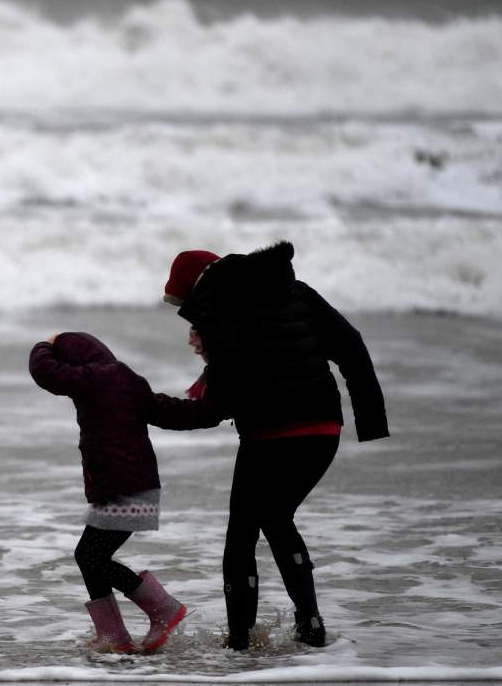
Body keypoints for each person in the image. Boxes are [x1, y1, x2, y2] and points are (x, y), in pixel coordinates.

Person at [162, 242, 389, 651]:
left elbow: (227, 378)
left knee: (244, 533)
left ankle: (240, 641)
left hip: (271, 434)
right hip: (323, 429)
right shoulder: (296, 290)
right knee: (276, 516)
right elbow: (350, 343)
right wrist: (370, 420)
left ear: (196, 288)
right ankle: (310, 625)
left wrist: (167, 411)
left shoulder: (218, 304)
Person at [29, 331, 224, 653]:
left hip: (122, 487)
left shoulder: (95, 376)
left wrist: (45, 345)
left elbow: (47, 374)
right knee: (92, 556)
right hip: (136, 486)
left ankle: (161, 608)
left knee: (90, 555)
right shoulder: (127, 379)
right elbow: (171, 412)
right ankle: (114, 635)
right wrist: (212, 410)